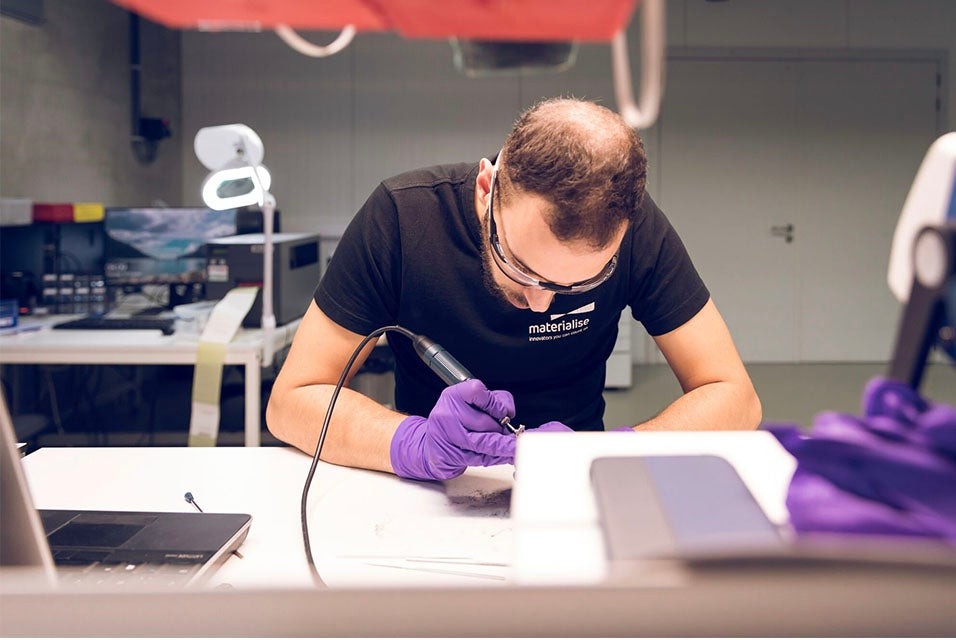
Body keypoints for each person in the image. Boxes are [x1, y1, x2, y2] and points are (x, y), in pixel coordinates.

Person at [266, 98, 761, 481]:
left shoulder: (635, 228)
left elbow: (733, 396)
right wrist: (412, 442)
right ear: (487, 189)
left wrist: (613, 451)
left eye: (579, 284)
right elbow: (292, 400)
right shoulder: (402, 217)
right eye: (521, 268)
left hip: (580, 479)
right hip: (424, 485)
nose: (542, 303)